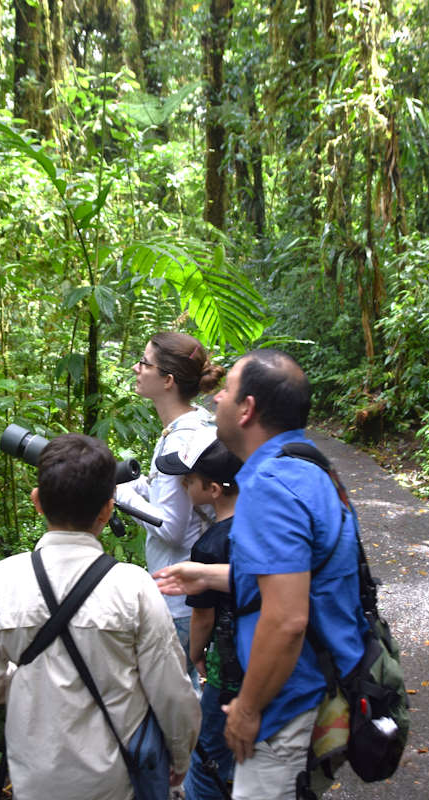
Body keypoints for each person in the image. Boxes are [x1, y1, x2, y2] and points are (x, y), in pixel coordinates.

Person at [154, 350, 366, 800]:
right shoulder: (308, 466)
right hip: (319, 687)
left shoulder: (272, 486)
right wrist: (211, 577)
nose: (217, 401)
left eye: (227, 391)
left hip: (288, 703)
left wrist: (247, 710)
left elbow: (286, 618)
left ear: (247, 409)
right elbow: (297, 581)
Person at [0, 433, 201, 800]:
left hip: (35, 778)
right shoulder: (133, 586)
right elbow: (172, 693)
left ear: (37, 502)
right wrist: (180, 758)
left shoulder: (2, 580)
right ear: (108, 509)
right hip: (117, 777)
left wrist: (28, 680)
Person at [116, 332, 226, 668]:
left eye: (145, 363)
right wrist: (137, 488)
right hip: (186, 591)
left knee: (176, 700)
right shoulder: (192, 425)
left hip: (180, 598)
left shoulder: (181, 440)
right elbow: (174, 503)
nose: (137, 368)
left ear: (167, 380)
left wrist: (117, 494)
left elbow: (172, 526)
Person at [153, 427, 244, 800]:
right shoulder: (262, 525)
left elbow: (203, 617)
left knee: (207, 748)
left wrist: (195, 654)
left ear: (213, 490)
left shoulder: (208, 546)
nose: (184, 487)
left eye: (189, 481)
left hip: (228, 665)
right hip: (264, 659)